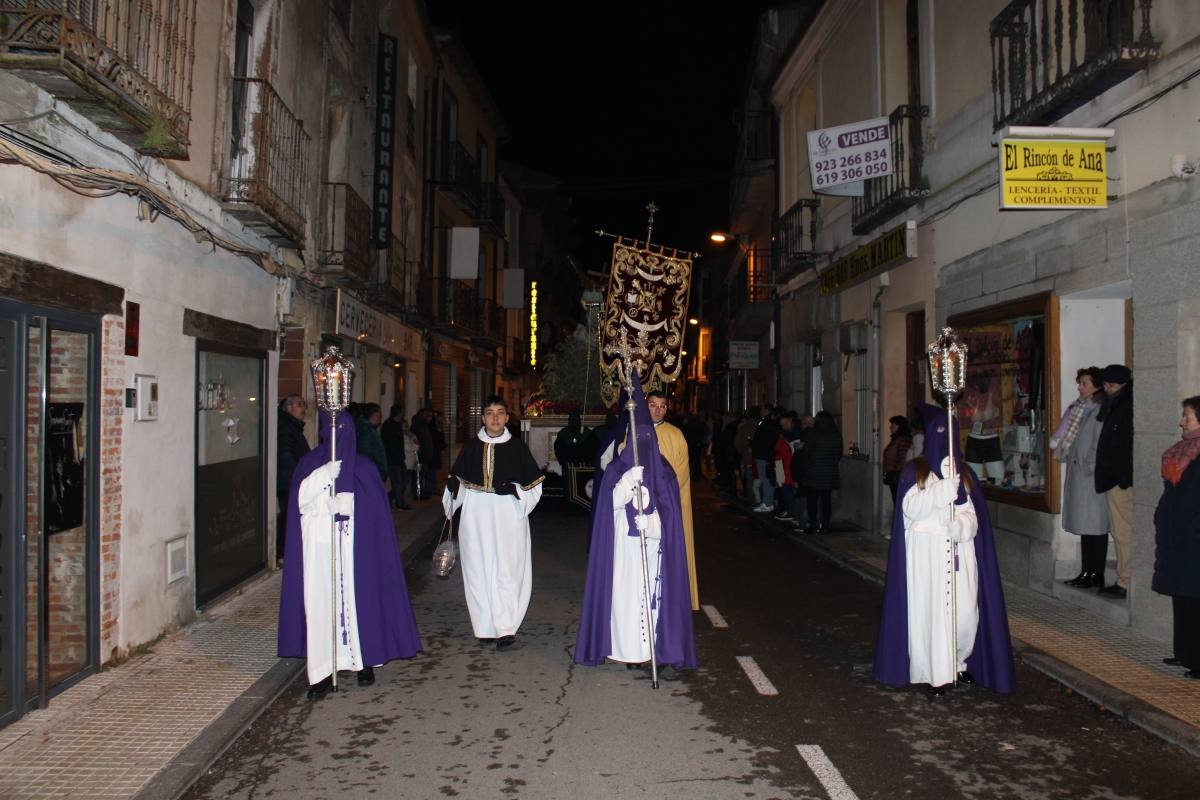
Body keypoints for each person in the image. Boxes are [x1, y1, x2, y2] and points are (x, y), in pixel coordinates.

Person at [278, 409, 422, 699]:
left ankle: (362, 662)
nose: (337, 435)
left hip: (355, 553)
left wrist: (350, 505)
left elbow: (376, 517)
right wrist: (321, 482)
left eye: (342, 428)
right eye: (331, 428)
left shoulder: (365, 468)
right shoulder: (309, 463)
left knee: (358, 605)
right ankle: (321, 672)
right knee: (321, 607)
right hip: (319, 550)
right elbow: (299, 504)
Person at [874, 403, 1015, 697]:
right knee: (931, 615)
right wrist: (942, 491)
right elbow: (911, 508)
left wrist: (961, 527)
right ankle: (931, 672)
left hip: (958, 553)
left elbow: (972, 514)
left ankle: (958, 662)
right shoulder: (916, 470)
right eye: (939, 433)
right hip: (926, 555)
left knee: (964, 615)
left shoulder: (964, 473)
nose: (943, 439)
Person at [575, 376, 697, 672]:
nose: (639, 445)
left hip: (652, 552)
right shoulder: (617, 469)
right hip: (622, 550)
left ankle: (652, 650)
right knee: (625, 601)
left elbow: (670, 515)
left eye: (645, 440)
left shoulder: (664, 472)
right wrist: (624, 486)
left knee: (650, 602)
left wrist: (652, 524)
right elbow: (606, 508)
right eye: (634, 440)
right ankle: (626, 649)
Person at [443, 396, 544, 650]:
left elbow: (534, 488)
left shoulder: (518, 449)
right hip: (476, 513)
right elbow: (458, 488)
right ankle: (484, 626)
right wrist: (453, 488)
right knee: (477, 569)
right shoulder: (471, 448)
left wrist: (515, 491)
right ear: (483, 417)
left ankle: (506, 627)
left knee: (508, 569)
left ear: (507, 418)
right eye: (490, 413)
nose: (495, 418)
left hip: (507, 514)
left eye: (500, 413)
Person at [1153, 396, 1200, 678]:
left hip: (1193, 535)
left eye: (1188, 416)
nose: (1182, 421)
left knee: (1196, 598)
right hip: (1178, 533)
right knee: (1182, 596)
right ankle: (1183, 652)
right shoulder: (1183, 451)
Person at [1053, 367, 1109, 588]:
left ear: (1096, 385)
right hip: (1082, 474)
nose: (1080, 387)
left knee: (1095, 527)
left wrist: (1090, 465)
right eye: (1080, 383)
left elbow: (1097, 442)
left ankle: (1096, 572)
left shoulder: (1099, 409)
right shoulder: (1080, 409)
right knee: (1087, 528)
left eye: (1085, 383)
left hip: (1091, 477)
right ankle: (1087, 571)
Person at [646, 390, 699, 611]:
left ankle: (673, 598)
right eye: (653, 405)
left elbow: (681, 473)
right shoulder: (634, 432)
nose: (658, 410)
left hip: (669, 503)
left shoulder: (676, 435)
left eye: (663, 406)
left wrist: (663, 497)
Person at [1095, 364, 1134, 599]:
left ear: (1122, 385)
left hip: (1120, 480)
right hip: (1116, 478)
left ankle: (1126, 580)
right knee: (1120, 531)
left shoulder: (1125, 406)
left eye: (1110, 385)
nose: (1106, 389)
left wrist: (1120, 478)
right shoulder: (1117, 404)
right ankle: (1124, 577)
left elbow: (1123, 446)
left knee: (1123, 531)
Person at [276, 394, 310, 561]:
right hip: (288, 480)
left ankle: (285, 550)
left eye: (304, 404)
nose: (304, 408)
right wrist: (298, 476)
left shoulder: (292, 426)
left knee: (290, 514)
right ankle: (281, 551)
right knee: (287, 515)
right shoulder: (285, 426)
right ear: (289, 407)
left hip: (292, 479)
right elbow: (286, 455)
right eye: (299, 404)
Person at [802, 411, 841, 533]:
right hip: (829, 473)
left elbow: (806, 453)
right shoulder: (836, 435)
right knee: (826, 501)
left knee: (812, 501)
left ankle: (813, 524)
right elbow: (839, 454)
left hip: (814, 472)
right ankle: (825, 526)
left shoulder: (814, 433)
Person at [380, 405, 412, 511]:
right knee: (397, 481)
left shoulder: (397, 425)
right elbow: (388, 443)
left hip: (399, 458)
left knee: (404, 479)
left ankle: (390, 498)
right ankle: (400, 503)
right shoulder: (388, 426)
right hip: (392, 458)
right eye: (402, 412)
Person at [750, 404, 779, 513]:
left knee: (766, 479)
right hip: (761, 454)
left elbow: (767, 441)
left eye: (762, 409)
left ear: (767, 410)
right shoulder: (764, 422)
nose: (761, 411)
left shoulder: (768, 423)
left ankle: (768, 503)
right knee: (764, 479)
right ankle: (766, 502)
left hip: (763, 455)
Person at [773, 412, 799, 524]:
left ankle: (791, 512)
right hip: (783, 465)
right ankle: (788, 510)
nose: (784, 426)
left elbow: (794, 453)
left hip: (790, 466)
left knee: (789, 489)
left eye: (786, 423)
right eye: (782, 424)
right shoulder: (785, 434)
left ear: (791, 420)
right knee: (785, 488)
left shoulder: (795, 434)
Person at [882, 415, 913, 506]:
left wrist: (899, 474)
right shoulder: (896, 439)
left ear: (899, 426)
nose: (891, 427)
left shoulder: (902, 439)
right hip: (894, 474)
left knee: (899, 501)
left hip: (898, 475)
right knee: (896, 501)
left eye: (893, 425)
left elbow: (903, 458)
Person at [353, 402, 388, 484]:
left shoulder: (368, 429)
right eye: (380, 413)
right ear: (374, 414)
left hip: (373, 471)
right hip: (372, 473)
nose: (381, 416)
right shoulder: (366, 431)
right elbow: (366, 453)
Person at [410, 408, 434, 499]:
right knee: (418, 475)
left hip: (423, 454)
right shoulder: (419, 425)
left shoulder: (423, 425)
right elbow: (421, 441)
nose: (430, 418)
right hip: (421, 454)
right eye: (428, 416)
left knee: (421, 475)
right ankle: (418, 493)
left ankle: (420, 492)